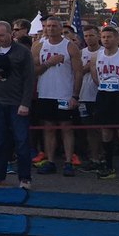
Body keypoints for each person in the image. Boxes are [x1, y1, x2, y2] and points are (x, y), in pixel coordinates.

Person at [0, 21, 36, 188]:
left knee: (21, 141)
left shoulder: (23, 52)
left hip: (17, 103)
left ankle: (24, 178)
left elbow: (29, 78)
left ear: (11, 34)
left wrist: (25, 103)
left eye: (2, 35)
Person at [32, 16, 82, 176]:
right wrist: (49, 63)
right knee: (49, 128)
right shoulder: (38, 46)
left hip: (64, 94)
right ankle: (51, 161)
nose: (51, 28)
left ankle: (68, 162)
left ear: (61, 28)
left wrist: (75, 95)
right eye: (48, 26)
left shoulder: (70, 47)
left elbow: (78, 72)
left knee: (66, 128)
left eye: (54, 26)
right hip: (45, 93)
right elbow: (33, 71)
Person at [89, 25, 119, 179]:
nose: (106, 40)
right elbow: (94, 75)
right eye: (103, 37)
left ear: (118, 39)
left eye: (109, 37)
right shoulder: (97, 55)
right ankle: (108, 166)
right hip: (104, 94)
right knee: (106, 130)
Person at [78, 24, 103, 172]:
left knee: (102, 128)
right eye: (86, 36)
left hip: (100, 95)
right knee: (90, 129)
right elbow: (76, 71)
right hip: (84, 95)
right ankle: (94, 157)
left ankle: (103, 156)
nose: (88, 39)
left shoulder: (103, 52)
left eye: (91, 35)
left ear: (98, 36)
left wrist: (90, 67)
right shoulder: (81, 53)